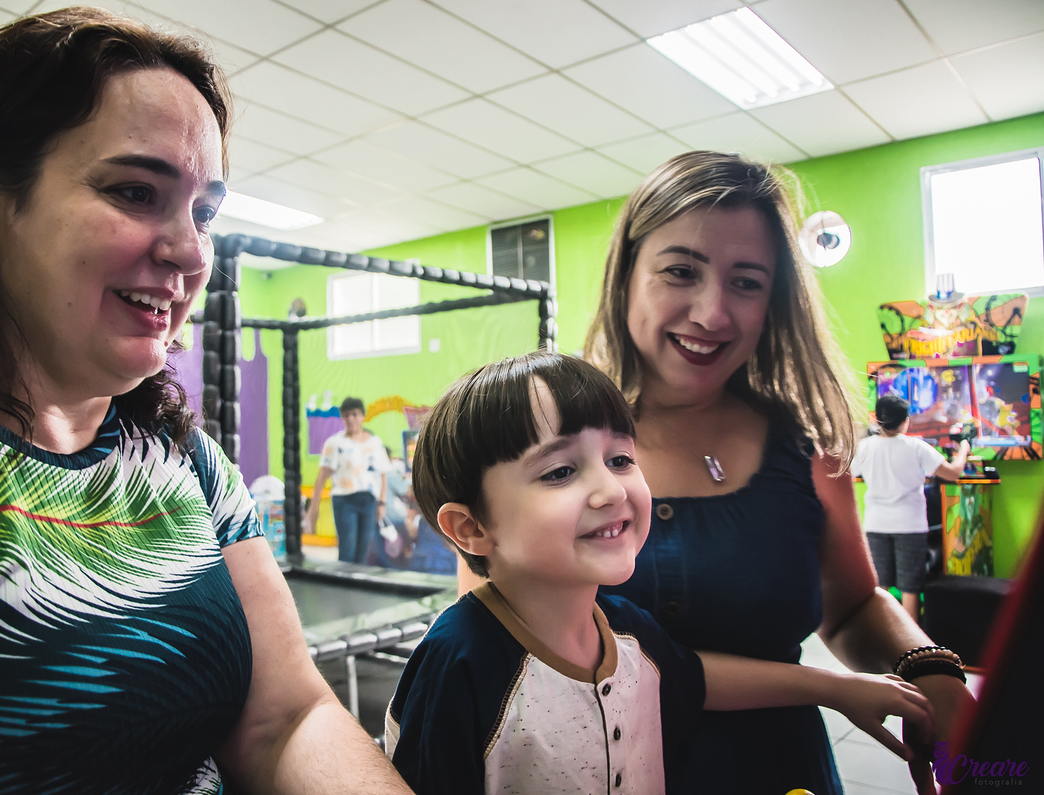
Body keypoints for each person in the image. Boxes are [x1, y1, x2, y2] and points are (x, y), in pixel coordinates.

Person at [0, 9, 413, 795]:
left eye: (203, 211)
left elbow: (284, 719)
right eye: (136, 191)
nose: (189, 251)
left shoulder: (181, 458)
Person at [581, 151, 974, 795]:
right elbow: (500, 645)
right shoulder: (539, 443)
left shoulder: (809, 445)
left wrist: (928, 667)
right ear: (625, 275)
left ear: (774, 301)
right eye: (681, 271)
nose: (712, 314)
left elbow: (850, 609)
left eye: (746, 282)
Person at [389, 352, 934, 795]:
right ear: (471, 528)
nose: (611, 490)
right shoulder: (458, 663)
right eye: (560, 471)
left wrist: (839, 689)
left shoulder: (627, 630)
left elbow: (698, 680)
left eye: (621, 460)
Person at [852, 395, 970, 623]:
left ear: (877, 419)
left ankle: (882, 641)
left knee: (880, 588)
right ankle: (911, 649)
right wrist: (963, 448)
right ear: (906, 421)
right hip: (910, 526)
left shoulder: (864, 448)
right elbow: (953, 473)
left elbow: (848, 474)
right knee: (910, 589)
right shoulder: (916, 447)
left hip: (876, 524)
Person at [305, 397, 389, 564]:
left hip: (369, 500)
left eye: (355, 414)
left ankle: (358, 587)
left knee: (363, 550)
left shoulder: (374, 442)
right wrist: (313, 509)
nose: (351, 419)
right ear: (342, 418)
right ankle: (343, 587)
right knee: (347, 551)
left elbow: (383, 473)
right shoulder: (335, 443)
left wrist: (382, 502)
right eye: (347, 415)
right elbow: (322, 476)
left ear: (362, 416)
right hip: (345, 500)